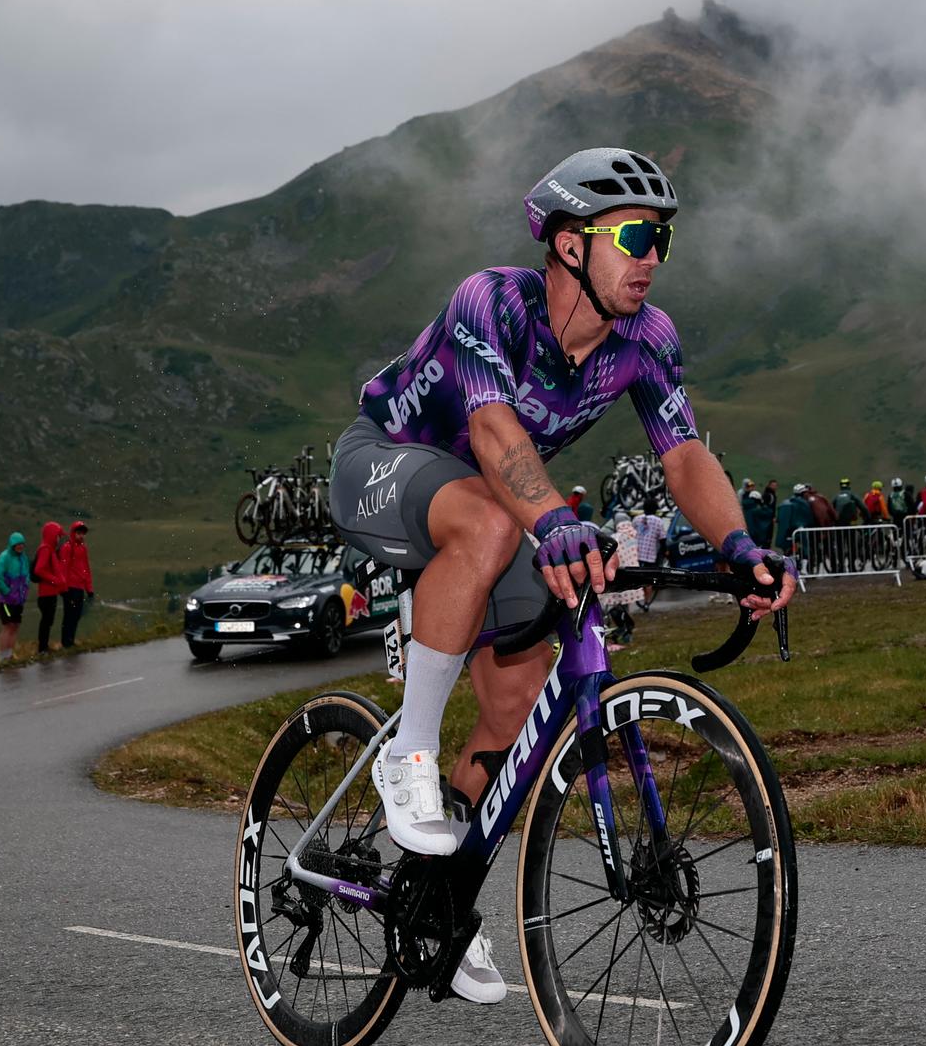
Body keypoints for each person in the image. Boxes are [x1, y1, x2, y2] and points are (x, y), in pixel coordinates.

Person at [328, 146, 795, 1001]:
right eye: (635, 235)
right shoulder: (493, 303)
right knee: (489, 516)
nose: (652, 256)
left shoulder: (645, 341)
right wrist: (553, 521)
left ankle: (439, 895)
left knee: (520, 699)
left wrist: (740, 547)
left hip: (501, 510)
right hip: (387, 464)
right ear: (570, 244)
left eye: (663, 240)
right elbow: (498, 431)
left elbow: (684, 455)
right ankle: (410, 752)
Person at [0, 532, 28, 663]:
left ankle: (9, 654)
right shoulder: (5, 557)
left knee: (15, 625)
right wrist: (7, 592)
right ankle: (2, 657)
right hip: (6, 600)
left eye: (21, 544)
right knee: (8, 626)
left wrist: (24, 592)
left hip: (18, 600)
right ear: (12, 545)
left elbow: (26, 577)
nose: (20, 546)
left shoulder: (22, 558)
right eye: (17, 544)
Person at [58, 521, 93, 647]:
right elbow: (63, 568)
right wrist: (64, 588)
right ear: (73, 533)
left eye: (83, 533)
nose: (81, 536)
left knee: (76, 614)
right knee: (69, 615)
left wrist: (89, 588)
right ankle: (66, 642)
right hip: (70, 588)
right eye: (79, 533)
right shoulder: (67, 547)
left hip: (79, 587)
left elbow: (86, 568)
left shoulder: (83, 548)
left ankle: (70, 640)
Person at [31, 521, 64, 653]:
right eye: (57, 535)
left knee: (48, 620)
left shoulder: (49, 549)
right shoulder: (45, 549)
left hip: (49, 593)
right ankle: (42, 648)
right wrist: (54, 580)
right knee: (46, 621)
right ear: (51, 535)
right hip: (46, 593)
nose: (59, 538)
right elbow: (39, 569)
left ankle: (44, 647)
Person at [776, 483, 817, 554]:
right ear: (803, 493)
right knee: (805, 549)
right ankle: (805, 562)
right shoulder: (804, 504)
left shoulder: (785, 503)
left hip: (786, 533)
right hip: (800, 531)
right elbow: (809, 519)